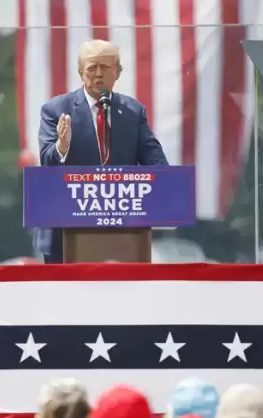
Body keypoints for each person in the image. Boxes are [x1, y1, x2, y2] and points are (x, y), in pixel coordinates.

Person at [36, 39, 169, 264]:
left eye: (105, 68)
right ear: (80, 72)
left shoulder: (132, 112)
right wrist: (62, 146)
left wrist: (168, 185)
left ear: (117, 73)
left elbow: (157, 164)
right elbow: (47, 166)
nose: (98, 74)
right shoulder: (56, 110)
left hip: (123, 234)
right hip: (64, 234)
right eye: (91, 68)